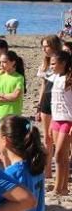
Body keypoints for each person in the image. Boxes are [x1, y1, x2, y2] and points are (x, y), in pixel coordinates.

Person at [39, 49, 72, 195]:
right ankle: (63, 187)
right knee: (61, 156)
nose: (51, 66)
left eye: (54, 63)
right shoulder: (55, 77)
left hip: (68, 120)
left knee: (59, 155)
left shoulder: (70, 79)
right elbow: (42, 73)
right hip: (56, 119)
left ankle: (59, 187)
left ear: (63, 63)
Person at [36, 36, 62, 179]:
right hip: (46, 101)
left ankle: (60, 170)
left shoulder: (63, 61)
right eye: (43, 46)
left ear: (54, 46)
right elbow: (43, 86)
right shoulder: (45, 63)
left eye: (46, 46)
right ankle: (47, 170)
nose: (44, 49)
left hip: (59, 102)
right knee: (47, 137)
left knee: (58, 137)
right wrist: (39, 106)